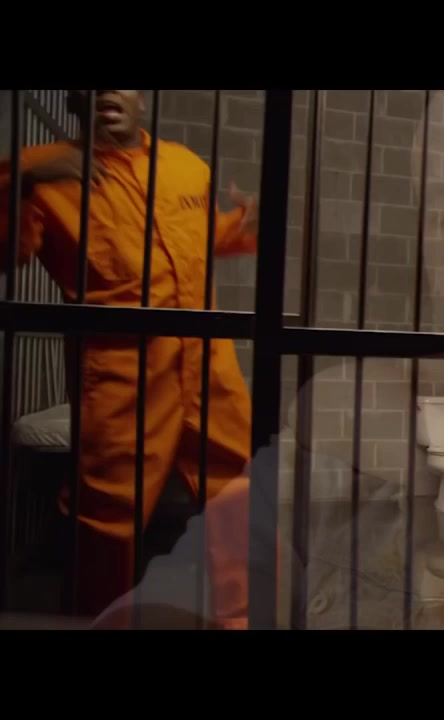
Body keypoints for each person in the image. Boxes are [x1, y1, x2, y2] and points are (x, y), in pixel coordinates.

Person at [0, 89, 258, 629]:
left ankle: (240, 619)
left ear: (141, 98)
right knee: (108, 515)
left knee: (240, 492)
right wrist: (24, 176)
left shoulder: (186, 167)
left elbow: (199, 240)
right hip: (123, 370)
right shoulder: (41, 171)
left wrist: (243, 222)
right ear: (73, 98)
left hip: (207, 364)